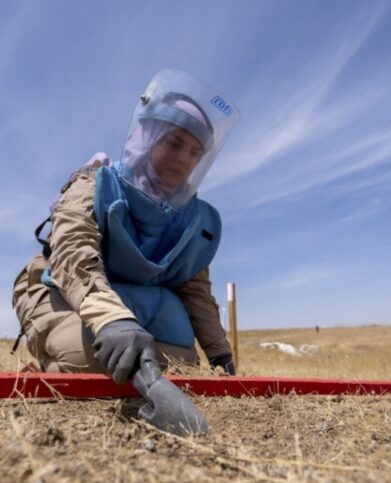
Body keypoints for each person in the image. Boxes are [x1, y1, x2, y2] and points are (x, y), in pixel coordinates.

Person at [12, 70, 239, 383]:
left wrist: (220, 354)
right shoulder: (94, 185)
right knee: (88, 359)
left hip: (137, 299)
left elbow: (194, 289)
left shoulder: (189, 220)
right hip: (64, 287)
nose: (184, 159)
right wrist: (112, 321)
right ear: (147, 135)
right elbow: (73, 257)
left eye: (194, 152)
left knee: (184, 366)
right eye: (174, 143)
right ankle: (49, 364)